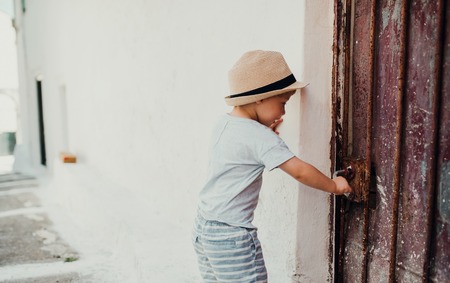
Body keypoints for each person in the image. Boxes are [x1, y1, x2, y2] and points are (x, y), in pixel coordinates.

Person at [192, 50, 352, 282]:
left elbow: (242, 147)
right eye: (282, 103)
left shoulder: (223, 123)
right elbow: (299, 170)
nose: (284, 111)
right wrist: (334, 186)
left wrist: (263, 135)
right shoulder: (260, 138)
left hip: (203, 229)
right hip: (232, 237)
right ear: (260, 97)